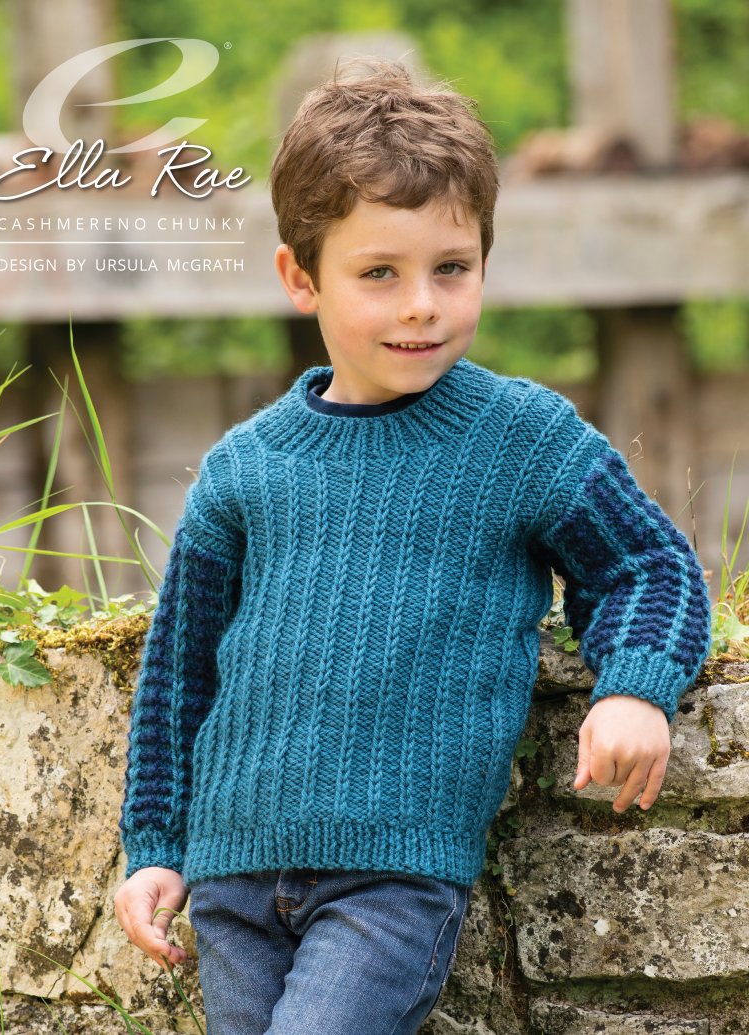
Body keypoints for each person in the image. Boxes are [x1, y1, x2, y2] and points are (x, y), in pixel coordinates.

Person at [114, 56, 712, 1034]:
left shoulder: (521, 439)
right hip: (231, 879)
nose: (422, 304)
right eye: (379, 273)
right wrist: (153, 847)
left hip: (391, 879)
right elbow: (178, 673)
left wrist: (633, 688)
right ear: (300, 278)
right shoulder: (243, 466)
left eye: (451, 268)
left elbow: (647, 564)